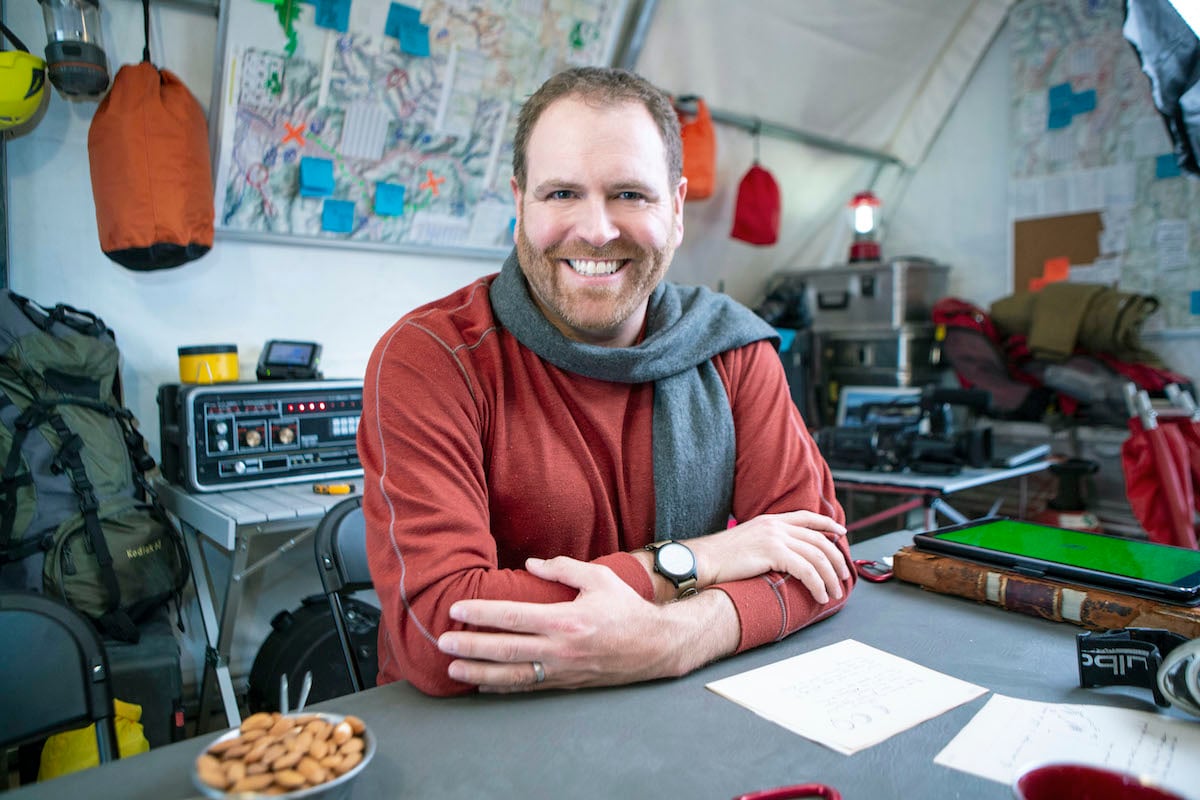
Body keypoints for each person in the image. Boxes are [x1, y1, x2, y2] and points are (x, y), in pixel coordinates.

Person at [358, 66, 854, 697]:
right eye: (562, 194)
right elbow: (439, 636)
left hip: (676, 721)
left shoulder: (733, 349)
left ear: (675, 209)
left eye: (630, 194)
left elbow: (823, 565)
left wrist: (674, 640)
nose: (597, 229)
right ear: (519, 205)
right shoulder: (431, 359)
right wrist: (703, 561)